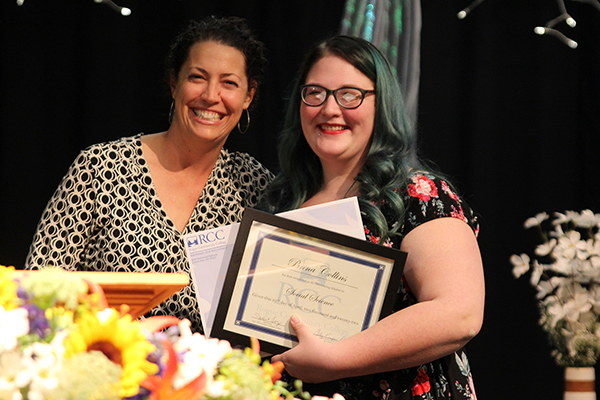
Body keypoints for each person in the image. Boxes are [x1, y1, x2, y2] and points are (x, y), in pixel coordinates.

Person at [263, 35, 485, 400]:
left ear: (381, 106)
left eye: (350, 94)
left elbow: (459, 313)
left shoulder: (416, 194)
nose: (330, 109)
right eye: (315, 92)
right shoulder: (280, 203)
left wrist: (333, 359)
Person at [25, 16, 273, 334]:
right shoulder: (101, 167)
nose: (211, 95)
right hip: (106, 367)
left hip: (209, 378)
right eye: (197, 77)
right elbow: (39, 291)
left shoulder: (257, 187)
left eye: (229, 83)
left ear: (248, 95)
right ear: (174, 82)